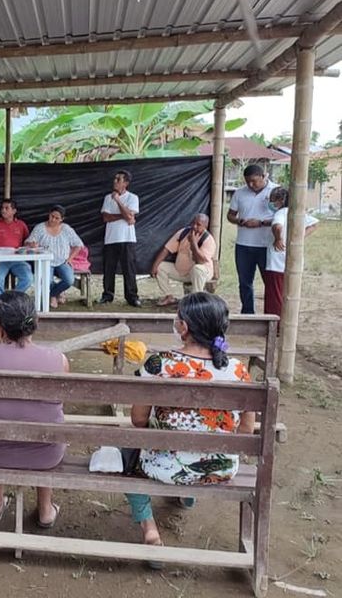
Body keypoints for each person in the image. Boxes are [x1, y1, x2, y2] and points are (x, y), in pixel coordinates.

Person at [126, 292, 255, 560]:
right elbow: (245, 431)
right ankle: (187, 495)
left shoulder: (159, 363)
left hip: (164, 466)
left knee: (126, 456)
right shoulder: (238, 370)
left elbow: (138, 420)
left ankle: (150, 530)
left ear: (183, 327)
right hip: (220, 468)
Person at [0, 291, 67, 526]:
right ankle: (45, 510)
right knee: (46, 421)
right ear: (34, 321)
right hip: (45, 452)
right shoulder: (58, 359)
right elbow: (56, 405)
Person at [226, 164, 277, 314]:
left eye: (254, 181)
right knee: (244, 282)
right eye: (247, 181)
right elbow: (230, 215)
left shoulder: (276, 191)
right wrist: (240, 221)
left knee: (270, 282)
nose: (251, 184)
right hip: (243, 244)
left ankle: (271, 313)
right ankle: (248, 313)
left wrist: (261, 223)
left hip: (267, 244)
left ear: (263, 176)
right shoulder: (240, 193)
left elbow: (283, 217)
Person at [264, 187, 319, 317]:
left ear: (281, 200)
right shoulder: (296, 213)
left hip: (277, 262)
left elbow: (277, 226)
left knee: (275, 295)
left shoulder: (281, 213)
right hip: (294, 261)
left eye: (273, 200)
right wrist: (299, 237)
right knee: (289, 293)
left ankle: (276, 323)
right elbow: (314, 223)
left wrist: (278, 239)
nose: (271, 203)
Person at [150, 214, 217, 307]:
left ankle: (195, 301)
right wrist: (154, 266)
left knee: (197, 269)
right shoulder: (184, 232)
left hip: (200, 273)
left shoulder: (208, 240)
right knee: (160, 267)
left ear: (205, 226)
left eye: (198, 225)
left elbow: (200, 261)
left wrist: (193, 243)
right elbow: (166, 249)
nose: (194, 226)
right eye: (193, 223)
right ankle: (169, 297)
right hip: (181, 271)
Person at [25, 204, 84, 308]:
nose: (53, 220)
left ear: (62, 219)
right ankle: (56, 294)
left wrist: (70, 258)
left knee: (69, 280)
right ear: (49, 214)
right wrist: (32, 244)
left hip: (63, 261)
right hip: (45, 261)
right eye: (52, 216)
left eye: (57, 218)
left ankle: (53, 294)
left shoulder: (66, 229)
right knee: (47, 281)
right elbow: (27, 242)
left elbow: (78, 245)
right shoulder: (40, 228)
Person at [99, 170, 141, 307]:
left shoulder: (133, 197)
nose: (115, 181)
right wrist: (126, 216)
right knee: (109, 269)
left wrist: (117, 200)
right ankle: (107, 295)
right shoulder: (107, 198)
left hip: (127, 239)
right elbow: (106, 217)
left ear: (126, 183)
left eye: (118, 179)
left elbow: (130, 217)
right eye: (115, 178)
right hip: (111, 238)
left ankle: (132, 297)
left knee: (129, 269)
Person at [0, 199, 32, 296]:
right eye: (2, 208)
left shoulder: (21, 225)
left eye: (7, 208)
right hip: (0, 260)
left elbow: (27, 240)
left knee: (28, 278)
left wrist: (28, 245)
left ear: (14, 211)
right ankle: (0, 301)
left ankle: (12, 298)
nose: (3, 210)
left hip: (18, 259)